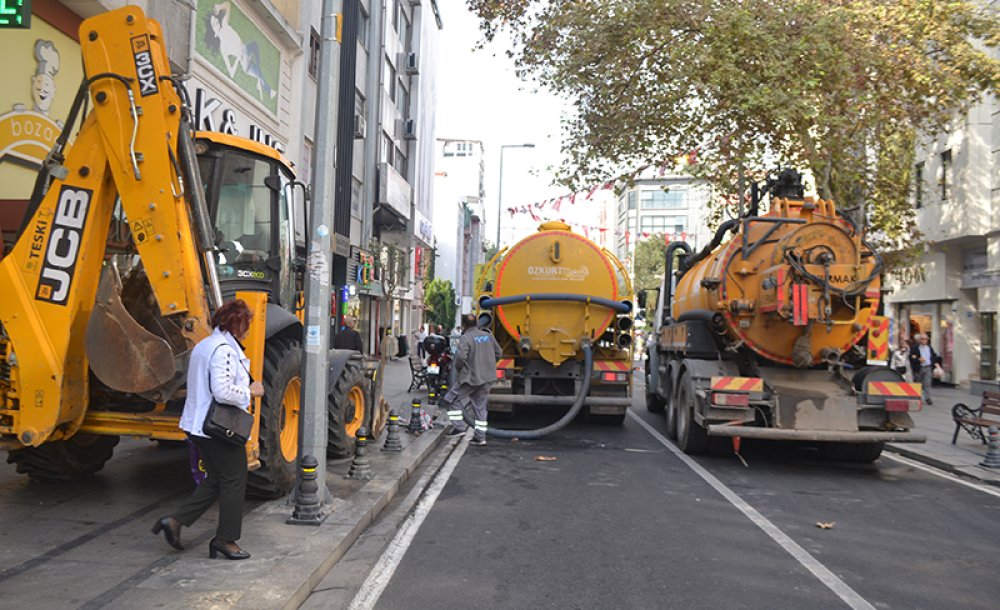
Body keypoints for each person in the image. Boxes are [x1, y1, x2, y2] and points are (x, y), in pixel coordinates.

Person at [152, 300, 264, 560]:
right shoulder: (223, 350)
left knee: (216, 478)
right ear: (236, 324)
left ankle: (176, 522)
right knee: (235, 479)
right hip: (216, 428)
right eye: (246, 323)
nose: (248, 329)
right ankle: (226, 540)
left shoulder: (205, 345)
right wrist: (251, 391)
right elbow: (222, 391)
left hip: (198, 426)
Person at [443, 313, 502, 446]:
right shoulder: (488, 336)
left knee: (450, 398)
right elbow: (498, 353)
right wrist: (489, 364)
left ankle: (458, 427)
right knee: (480, 407)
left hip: (471, 378)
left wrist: (460, 370)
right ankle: (480, 437)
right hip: (487, 377)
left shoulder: (466, 338)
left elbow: (459, 358)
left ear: (463, 325)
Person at [908, 334, 938, 405]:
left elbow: (933, 356)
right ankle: (917, 398)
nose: (924, 341)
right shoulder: (915, 348)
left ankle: (928, 398)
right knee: (918, 383)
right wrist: (918, 359)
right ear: (919, 340)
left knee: (927, 383)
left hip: (927, 367)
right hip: (919, 368)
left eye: (926, 339)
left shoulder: (929, 348)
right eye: (922, 339)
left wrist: (934, 364)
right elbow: (911, 357)